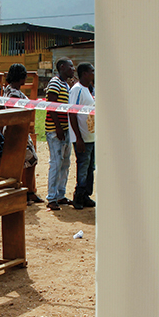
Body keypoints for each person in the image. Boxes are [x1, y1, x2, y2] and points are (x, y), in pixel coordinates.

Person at [3, 64, 43, 204]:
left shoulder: (11, 90)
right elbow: (15, 111)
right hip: (17, 131)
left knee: (28, 161)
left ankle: (28, 191)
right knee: (29, 160)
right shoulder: (13, 92)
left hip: (20, 131)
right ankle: (26, 192)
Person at [45, 58, 74, 210]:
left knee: (65, 163)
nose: (73, 69)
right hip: (55, 130)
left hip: (65, 129)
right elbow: (51, 106)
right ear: (62, 67)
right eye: (70, 66)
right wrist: (58, 127)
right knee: (56, 163)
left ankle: (60, 194)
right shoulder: (55, 82)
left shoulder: (66, 85)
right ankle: (51, 197)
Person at [69, 62, 96, 209]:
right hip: (82, 138)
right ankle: (78, 196)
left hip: (91, 137)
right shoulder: (77, 90)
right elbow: (72, 113)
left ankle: (86, 195)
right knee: (83, 166)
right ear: (85, 73)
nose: (94, 73)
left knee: (90, 167)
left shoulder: (89, 89)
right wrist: (78, 137)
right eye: (92, 71)